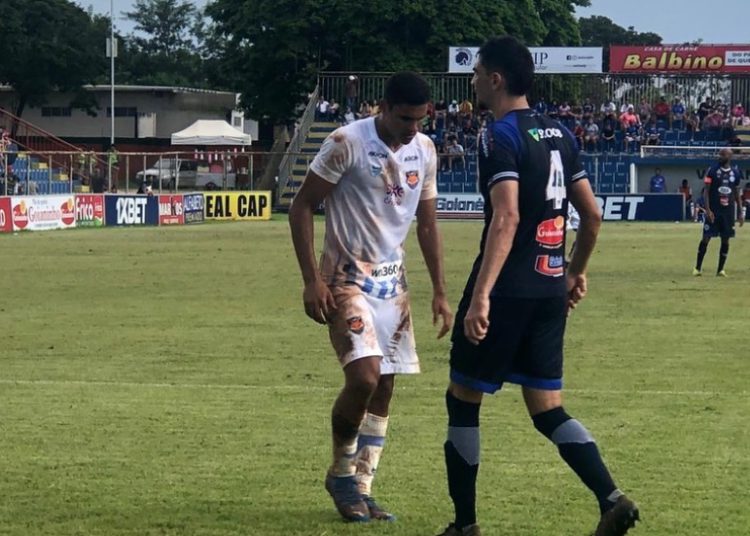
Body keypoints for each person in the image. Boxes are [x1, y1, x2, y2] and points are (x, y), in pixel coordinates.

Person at [435, 36, 639, 536]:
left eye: (478, 71)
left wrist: (481, 294)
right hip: (549, 290)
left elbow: (506, 218)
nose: (474, 79)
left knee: (463, 397)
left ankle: (465, 526)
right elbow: (591, 216)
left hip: (506, 289)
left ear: (497, 79)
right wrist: (574, 271)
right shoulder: (562, 133)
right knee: (547, 406)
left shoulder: (497, 135)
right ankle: (610, 498)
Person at [289, 72, 453, 523]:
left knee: (384, 386)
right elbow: (301, 206)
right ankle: (341, 474)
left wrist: (440, 291)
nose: (411, 129)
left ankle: (362, 486)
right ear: (383, 106)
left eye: (420, 120)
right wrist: (311, 280)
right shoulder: (347, 142)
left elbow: (426, 223)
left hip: (392, 285)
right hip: (344, 278)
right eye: (404, 118)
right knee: (363, 377)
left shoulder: (425, 150)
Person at [693, 148, 745, 276]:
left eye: (723, 154)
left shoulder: (736, 173)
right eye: (720, 154)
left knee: (725, 240)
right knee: (706, 238)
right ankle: (697, 268)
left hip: (728, 213)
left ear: (729, 156)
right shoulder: (712, 170)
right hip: (714, 212)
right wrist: (708, 209)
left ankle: (720, 270)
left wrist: (740, 212)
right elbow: (706, 191)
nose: (719, 156)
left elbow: (737, 193)